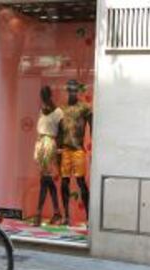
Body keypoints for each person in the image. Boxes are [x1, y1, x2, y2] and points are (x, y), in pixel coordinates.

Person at [58, 80, 92, 226]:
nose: (72, 92)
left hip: (78, 149)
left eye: (74, 90)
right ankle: (66, 216)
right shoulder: (62, 109)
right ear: (67, 91)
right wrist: (57, 149)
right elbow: (59, 131)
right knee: (64, 182)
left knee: (81, 182)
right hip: (65, 150)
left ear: (77, 91)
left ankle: (89, 217)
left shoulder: (85, 108)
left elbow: (93, 126)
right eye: (70, 90)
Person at [33, 86, 63, 226]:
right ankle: (57, 212)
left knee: (45, 180)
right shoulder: (42, 111)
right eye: (42, 95)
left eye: (45, 94)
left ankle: (38, 213)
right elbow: (40, 130)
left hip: (50, 145)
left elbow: (61, 132)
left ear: (50, 95)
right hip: (41, 145)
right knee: (47, 180)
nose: (43, 97)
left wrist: (60, 149)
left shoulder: (58, 112)